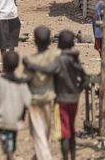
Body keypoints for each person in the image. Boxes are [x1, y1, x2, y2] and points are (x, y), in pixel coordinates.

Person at [23, 30, 89, 160]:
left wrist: (31, 65)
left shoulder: (60, 60)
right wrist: (78, 90)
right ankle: (73, 157)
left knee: (64, 133)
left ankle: (63, 157)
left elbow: (48, 70)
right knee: (71, 130)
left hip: (61, 101)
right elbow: (85, 78)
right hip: (74, 100)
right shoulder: (75, 59)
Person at [23, 26, 60, 160]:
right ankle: (40, 156)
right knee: (45, 133)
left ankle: (43, 157)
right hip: (48, 100)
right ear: (50, 41)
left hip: (34, 102)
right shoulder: (53, 57)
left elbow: (26, 82)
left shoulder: (30, 60)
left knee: (38, 135)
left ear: (35, 42)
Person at [0, 51, 32, 160]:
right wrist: (23, 115)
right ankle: (11, 151)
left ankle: (8, 152)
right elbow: (27, 102)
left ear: (3, 64)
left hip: (2, 118)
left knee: (5, 138)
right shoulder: (22, 83)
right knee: (13, 136)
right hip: (16, 119)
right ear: (17, 65)